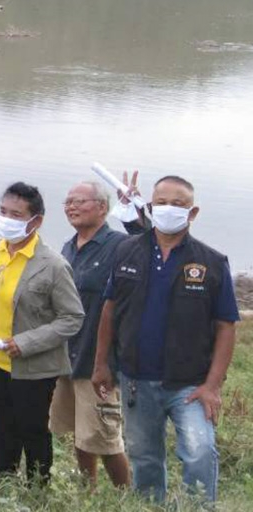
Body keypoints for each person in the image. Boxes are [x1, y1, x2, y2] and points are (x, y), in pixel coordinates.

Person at [92, 175, 240, 504]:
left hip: (190, 385)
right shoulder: (126, 251)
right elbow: (109, 310)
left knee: (200, 452)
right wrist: (101, 364)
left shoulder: (211, 262)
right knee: (144, 461)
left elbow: (227, 326)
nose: (168, 209)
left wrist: (212, 386)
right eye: (161, 202)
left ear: (193, 212)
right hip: (136, 381)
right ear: (150, 206)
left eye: (178, 204)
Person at [0, 182, 84, 485]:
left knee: (32, 427)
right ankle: (2, 478)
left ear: (36, 221)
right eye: (3, 211)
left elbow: (72, 318)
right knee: (0, 421)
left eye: (16, 214)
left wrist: (26, 342)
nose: (7, 219)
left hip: (32, 366)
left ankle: (37, 485)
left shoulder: (53, 266)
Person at [50, 180, 131, 488]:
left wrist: (136, 213)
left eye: (80, 201)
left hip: (99, 360)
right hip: (67, 355)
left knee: (106, 438)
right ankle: (87, 493)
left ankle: (127, 497)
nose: (71, 206)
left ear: (102, 207)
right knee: (81, 433)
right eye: (68, 202)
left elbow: (149, 247)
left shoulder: (119, 245)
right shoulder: (68, 247)